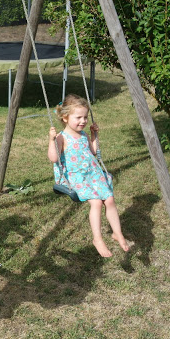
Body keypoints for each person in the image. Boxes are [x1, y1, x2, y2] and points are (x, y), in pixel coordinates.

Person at [47, 94, 130, 258]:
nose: (83, 121)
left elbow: (93, 151)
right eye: (78, 117)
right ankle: (97, 239)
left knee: (110, 199)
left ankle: (117, 232)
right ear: (65, 117)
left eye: (85, 117)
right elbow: (54, 158)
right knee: (97, 202)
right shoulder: (61, 137)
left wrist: (94, 135)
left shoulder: (84, 135)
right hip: (76, 177)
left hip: (92, 174)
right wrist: (51, 140)